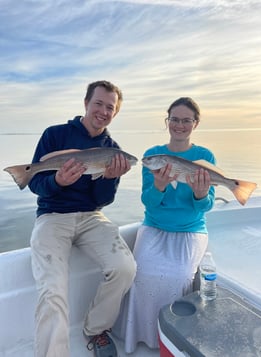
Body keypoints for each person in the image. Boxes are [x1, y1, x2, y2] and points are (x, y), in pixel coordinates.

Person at [29, 80, 137, 357]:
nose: (103, 110)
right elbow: (35, 183)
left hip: (91, 216)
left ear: (115, 112)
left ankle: (95, 328)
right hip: (52, 216)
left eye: (110, 107)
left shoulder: (114, 150)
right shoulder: (55, 134)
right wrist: (57, 181)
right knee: (53, 289)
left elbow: (102, 200)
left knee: (125, 267)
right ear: (86, 103)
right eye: (98, 103)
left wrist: (109, 178)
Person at [115, 97, 216, 353]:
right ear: (167, 121)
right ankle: (144, 336)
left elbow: (205, 207)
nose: (179, 125)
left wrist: (200, 194)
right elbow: (148, 202)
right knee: (140, 275)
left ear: (195, 123)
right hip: (155, 226)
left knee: (178, 276)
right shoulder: (152, 156)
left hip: (190, 229)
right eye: (174, 119)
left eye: (186, 120)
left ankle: (172, 338)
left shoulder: (204, 156)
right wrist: (159, 186)